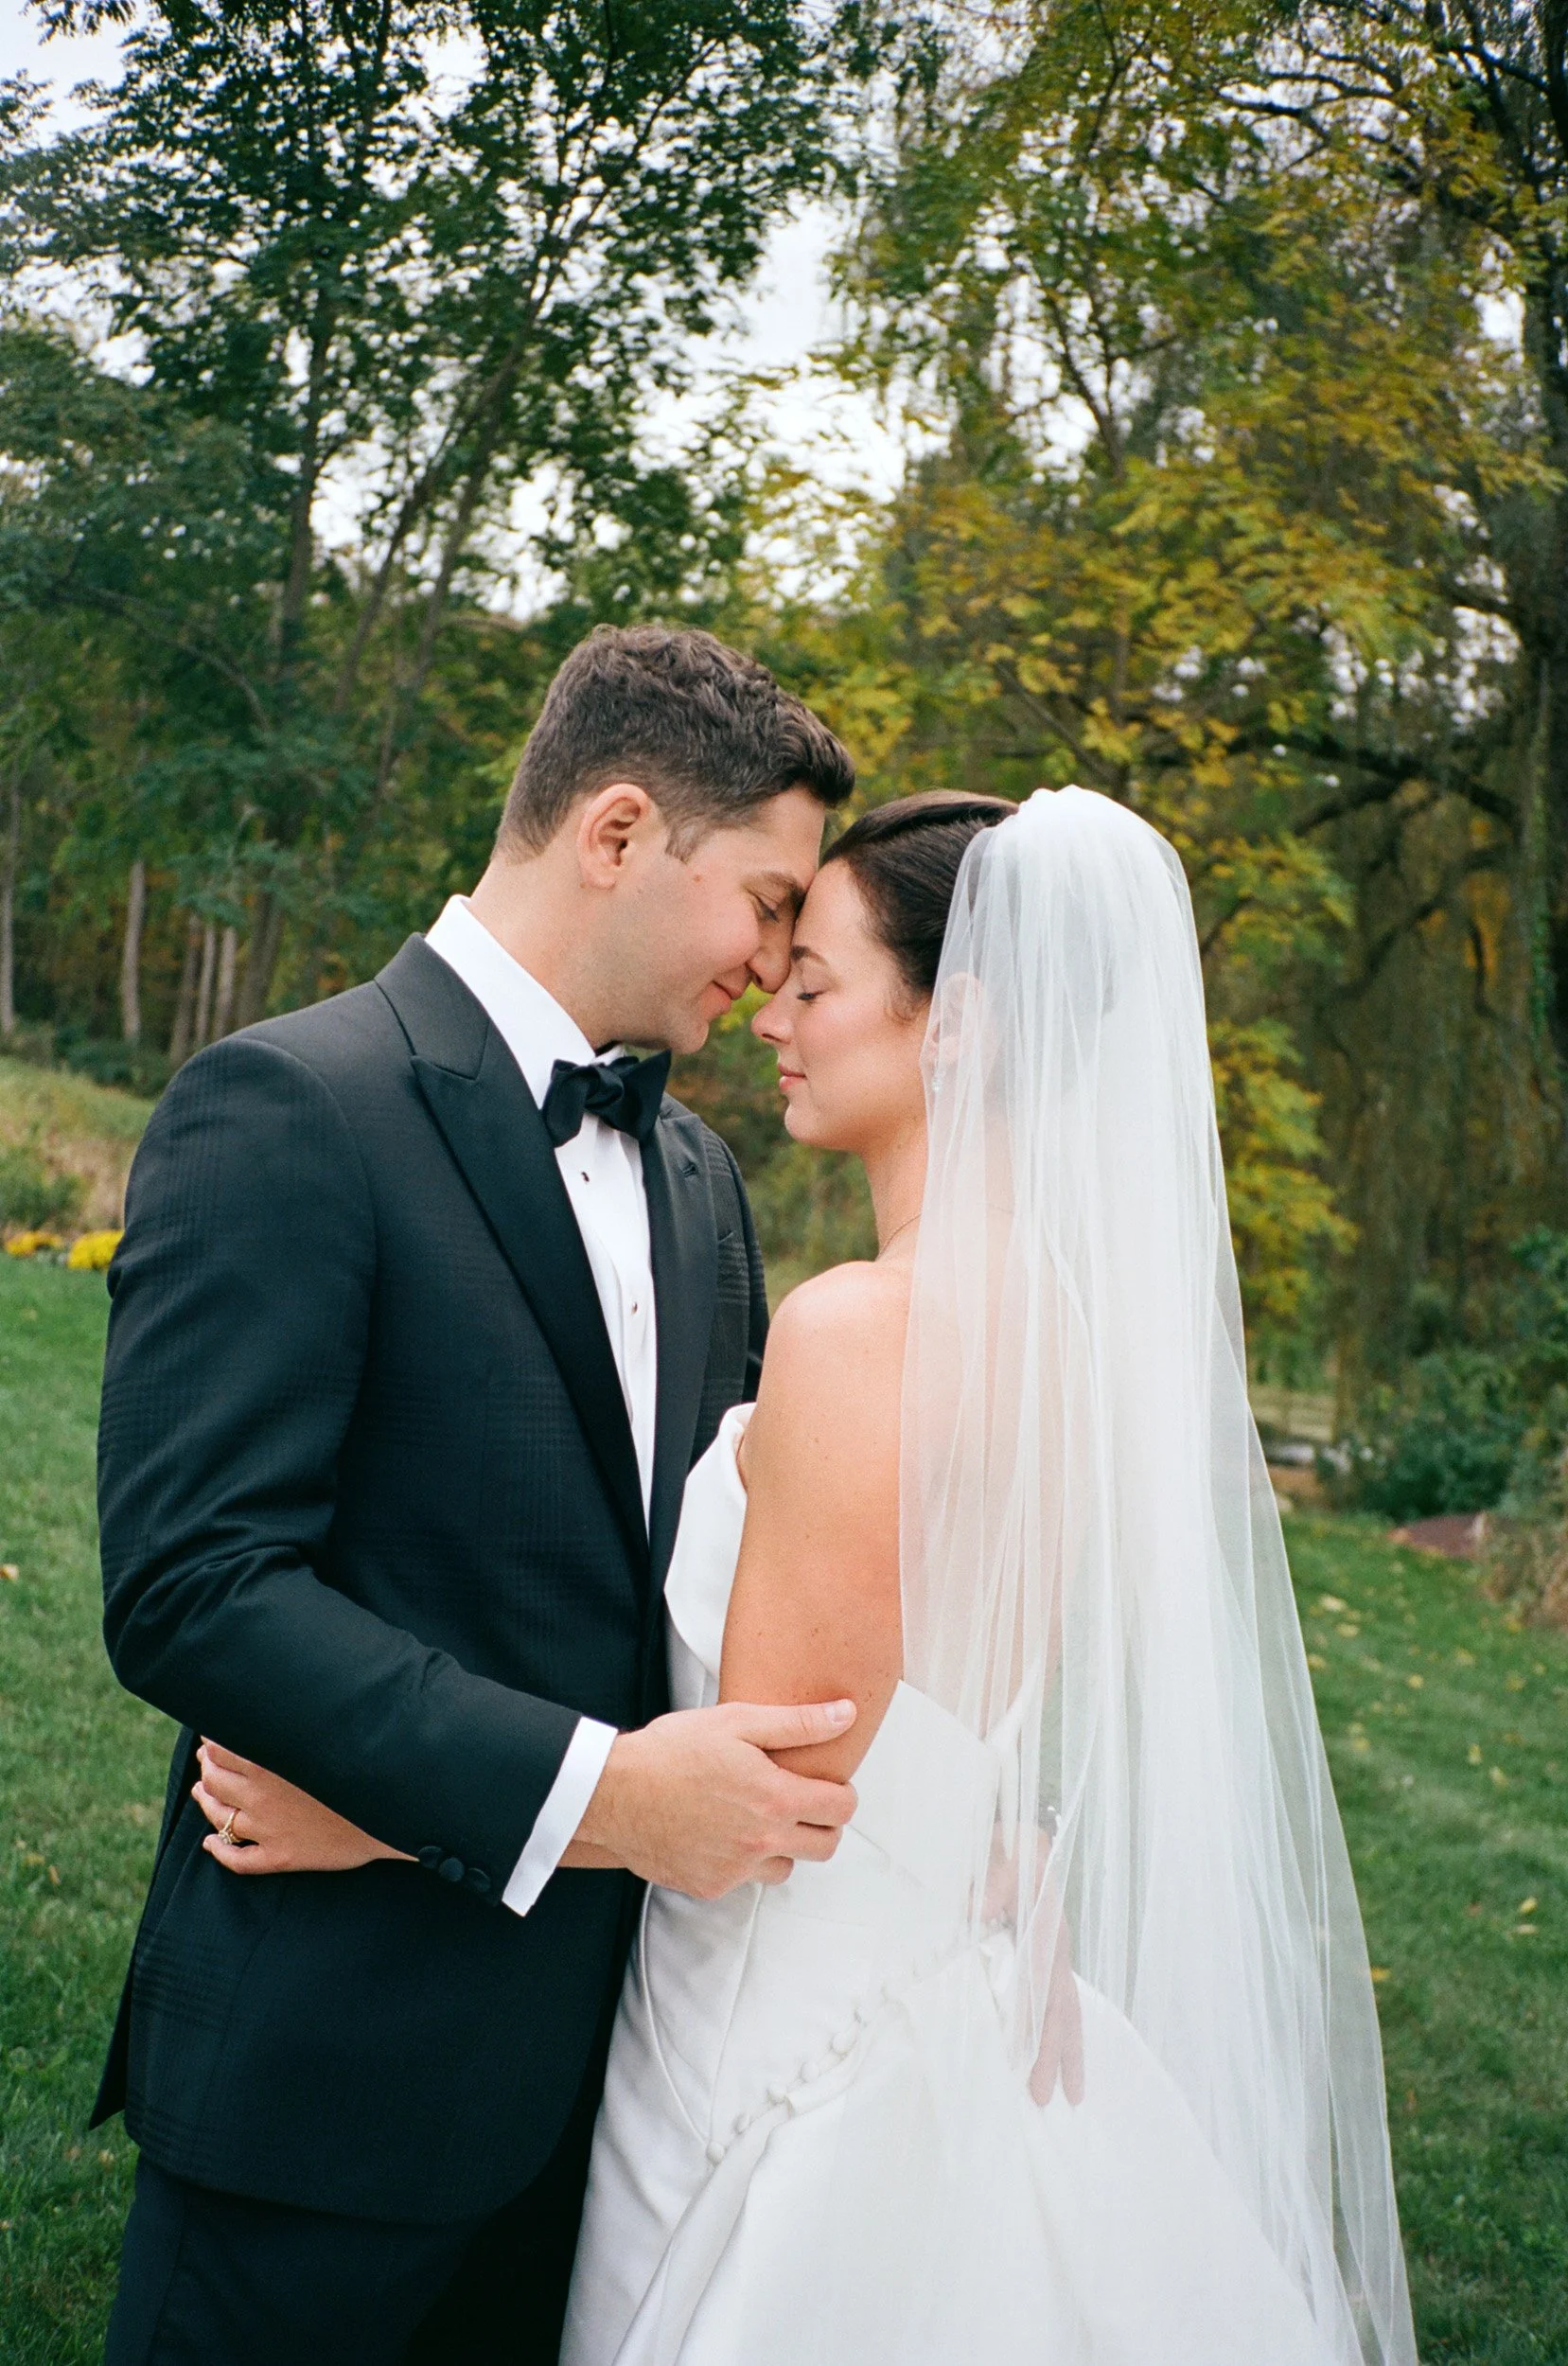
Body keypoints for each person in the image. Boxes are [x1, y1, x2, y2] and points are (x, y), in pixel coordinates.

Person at [203, 787, 1419, 2366]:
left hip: (773, 2031)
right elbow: (929, 1700)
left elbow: (759, 1803)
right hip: (921, 1951)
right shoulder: (1062, 1331)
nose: (771, 1011)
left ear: (958, 1024)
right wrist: (1003, 1825)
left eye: (819, 981)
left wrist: (381, 1816)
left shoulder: (867, 1331)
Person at [93, 626, 862, 2366]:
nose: (778, 956)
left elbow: (677, 1598)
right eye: (763, 897)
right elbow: (196, 1584)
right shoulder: (290, 1102)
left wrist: (426, 1809)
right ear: (613, 831)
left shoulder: (701, 1181)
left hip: (604, 2107)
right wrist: (582, 1792)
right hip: (327, 2091)